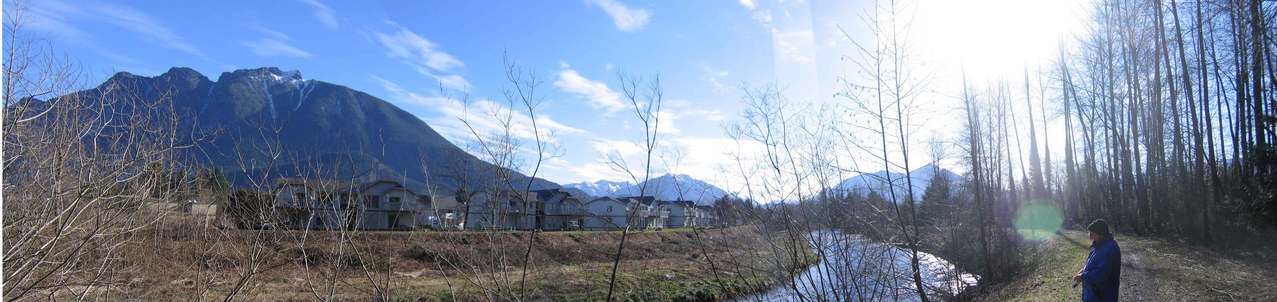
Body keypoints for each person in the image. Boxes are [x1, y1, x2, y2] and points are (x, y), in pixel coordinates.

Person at [1073, 219, 1121, 302]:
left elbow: (1101, 273)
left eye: (1092, 233)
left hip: (1103, 296)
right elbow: (1093, 263)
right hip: (1095, 294)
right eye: (1089, 233)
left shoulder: (1109, 249)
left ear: (1100, 234)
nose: (1090, 236)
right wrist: (1083, 270)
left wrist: (1083, 276)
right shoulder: (1099, 245)